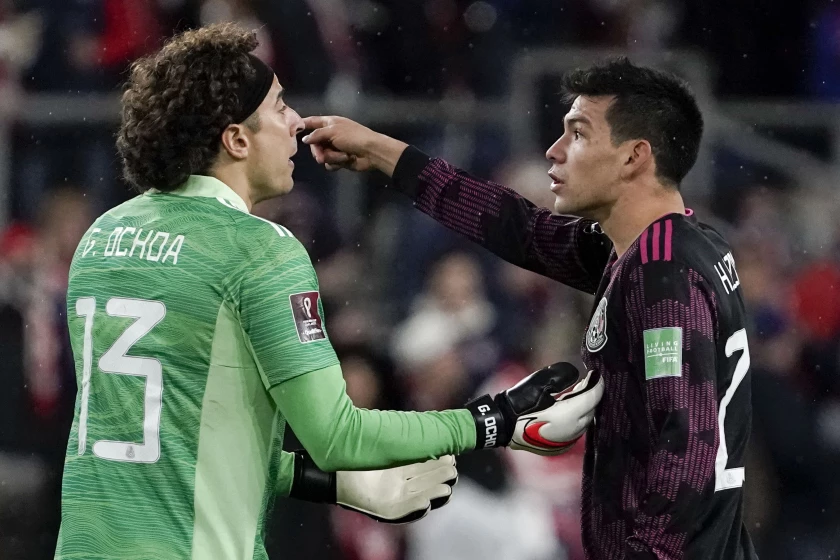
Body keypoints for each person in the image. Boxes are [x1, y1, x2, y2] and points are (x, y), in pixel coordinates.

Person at [55, 23, 604, 560]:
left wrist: (337, 488)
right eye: (278, 106)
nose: (295, 121)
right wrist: (496, 421)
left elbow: (170, 440)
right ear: (236, 139)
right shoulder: (260, 250)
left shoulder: (102, 236)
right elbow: (338, 435)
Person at [303, 57, 759, 559]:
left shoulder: (662, 271)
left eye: (578, 134)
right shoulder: (671, 247)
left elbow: (686, 444)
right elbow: (519, 228)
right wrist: (387, 154)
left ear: (634, 157)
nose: (554, 150)